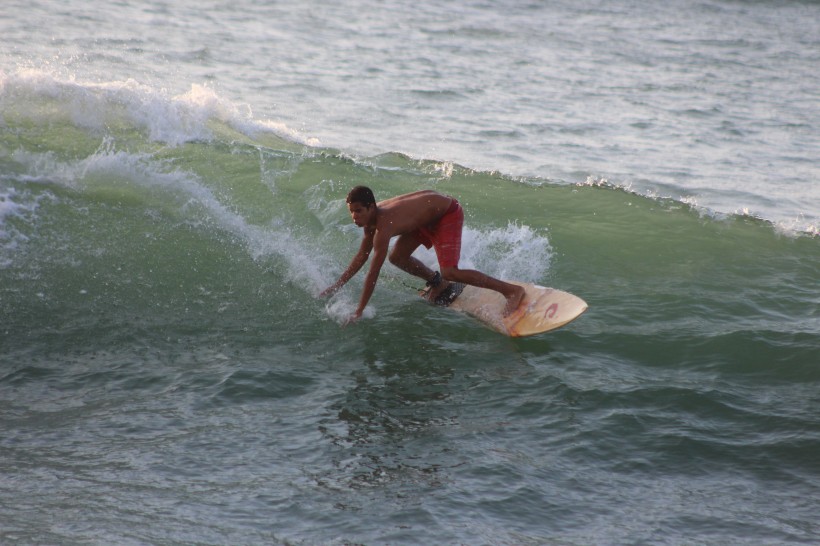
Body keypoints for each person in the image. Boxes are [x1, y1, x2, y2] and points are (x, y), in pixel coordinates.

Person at [320, 186, 525, 324]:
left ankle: (511, 291)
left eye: (358, 211)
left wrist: (359, 310)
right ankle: (438, 283)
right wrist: (337, 285)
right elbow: (361, 256)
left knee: (450, 271)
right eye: (351, 211)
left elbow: (373, 271)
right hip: (425, 216)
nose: (354, 216)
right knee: (397, 257)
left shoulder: (383, 226)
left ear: (371, 207)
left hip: (446, 213)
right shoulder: (370, 221)